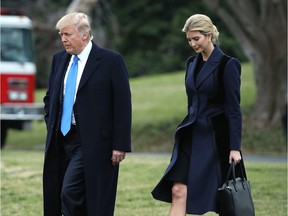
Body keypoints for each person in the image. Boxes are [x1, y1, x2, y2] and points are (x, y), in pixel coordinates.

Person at [151, 14, 243, 215]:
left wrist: (234, 147)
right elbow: (191, 102)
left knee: (224, 200)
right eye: (189, 40)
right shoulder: (191, 63)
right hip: (190, 136)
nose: (192, 44)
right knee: (177, 190)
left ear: (209, 35)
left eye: (196, 39)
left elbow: (234, 110)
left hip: (216, 139)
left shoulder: (228, 65)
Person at [43, 12, 132, 216]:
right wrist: (51, 122)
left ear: (84, 35)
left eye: (67, 34)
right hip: (61, 139)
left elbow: (122, 105)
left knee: (71, 192)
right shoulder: (59, 60)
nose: (63, 39)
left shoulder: (111, 61)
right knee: (60, 193)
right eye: (61, 34)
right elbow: (51, 97)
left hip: (93, 142)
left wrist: (120, 144)